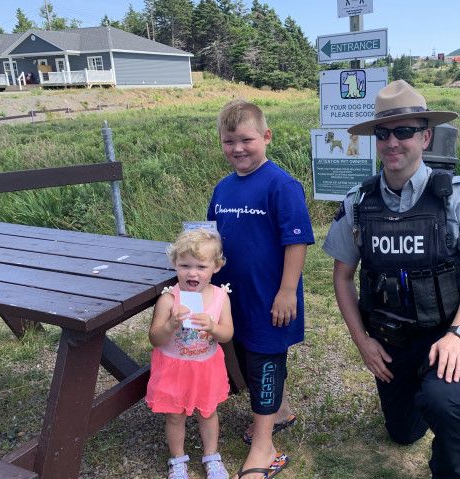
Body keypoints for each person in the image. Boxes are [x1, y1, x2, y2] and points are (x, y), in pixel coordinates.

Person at [322, 80, 460, 479]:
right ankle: (429, 391)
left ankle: (451, 454)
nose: (392, 142)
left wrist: (457, 336)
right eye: (383, 134)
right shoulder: (358, 202)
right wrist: (362, 341)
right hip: (391, 339)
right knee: (402, 434)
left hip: (448, 331)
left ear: (425, 135)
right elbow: (343, 277)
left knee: (443, 401)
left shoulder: (455, 195)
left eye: (404, 131)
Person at [207, 99, 315, 479]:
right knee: (243, 355)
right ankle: (279, 411)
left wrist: (287, 292)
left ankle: (265, 446)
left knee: (265, 361)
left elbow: (296, 241)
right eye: (228, 141)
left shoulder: (282, 185)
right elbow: (211, 240)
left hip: (270, 298)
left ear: (266, 137)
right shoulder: (222, 189)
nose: (237, 148)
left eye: (246, 139)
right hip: (230, 297)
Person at [146, 229, 234, 479]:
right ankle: (177, 459)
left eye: (201, 266)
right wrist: (170, 325)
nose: (192, 273)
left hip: (206, 366)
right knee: (175, 416)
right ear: (174, 264)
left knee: (208, 412)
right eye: (185, 265)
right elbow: (155, 338)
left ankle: (211, 456)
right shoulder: (168, 300)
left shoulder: (220, 298)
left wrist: (213, 327)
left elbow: (227, 334)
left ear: (216, 267)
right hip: (174, 368)